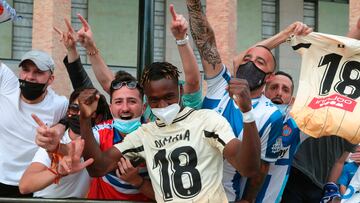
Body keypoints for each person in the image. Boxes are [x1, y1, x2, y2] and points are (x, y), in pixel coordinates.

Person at [70, 60, 261, 202]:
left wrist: (247, 113)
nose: (162, 105)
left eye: (169, 97)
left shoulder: (207, 120)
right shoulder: (145, 134)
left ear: (180, 91)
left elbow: (248, 168)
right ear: (147, 101)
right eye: (155, 100)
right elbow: (98, 168)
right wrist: (85, 120)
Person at [186, 0, 311, 202]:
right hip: (185, 192)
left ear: (268, 77)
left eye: (259, 62)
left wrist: (249, 199)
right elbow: (206, 42)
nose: (250, 63)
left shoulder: (270, 115)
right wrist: (193, 5)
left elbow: (261, 168)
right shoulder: (220, 84)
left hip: (224, 197)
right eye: (247, 59)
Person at [280, 19, 360, 203]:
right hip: (295, 170)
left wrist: (330, 187)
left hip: (319, 182)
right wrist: (357, 29)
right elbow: (340, 57)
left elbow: (340, 161)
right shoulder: (326, 95)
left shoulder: (355, 119)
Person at [0, 50, 68, 197]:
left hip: (31, 185)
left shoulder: (59, 104)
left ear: (50, 79)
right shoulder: (7, 85)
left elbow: (78, 114)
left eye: (38, 72)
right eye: (25, 70)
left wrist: (61, 126)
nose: (30, 77)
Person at [19, 89, 101, 198]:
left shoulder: (100, 137)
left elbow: (80, 145)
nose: (80, 114)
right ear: (69, 112)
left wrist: (58, 148)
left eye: (87, 110)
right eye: (76, 108)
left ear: (97, 116)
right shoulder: (56, 139)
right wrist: (58, 171)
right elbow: (25, 186)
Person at [256, 71, 304, 203]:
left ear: (291, 100)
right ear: (264, 93)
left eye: (285, 89)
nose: (279, 93)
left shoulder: (296, 125)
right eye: (274, 87)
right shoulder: (250, 116)